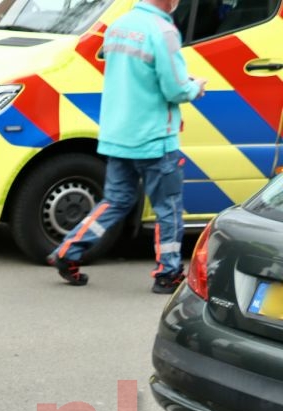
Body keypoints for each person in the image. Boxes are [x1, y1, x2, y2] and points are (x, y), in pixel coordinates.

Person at [48, 0, 206, 293]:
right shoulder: (163, 31)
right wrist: (195, 87)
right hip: (155, 137)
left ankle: (69, 250)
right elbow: (174, 88)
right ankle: (167, 273)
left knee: (115, 201)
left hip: (118, 134)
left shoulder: (118, 27)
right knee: (167, 208)